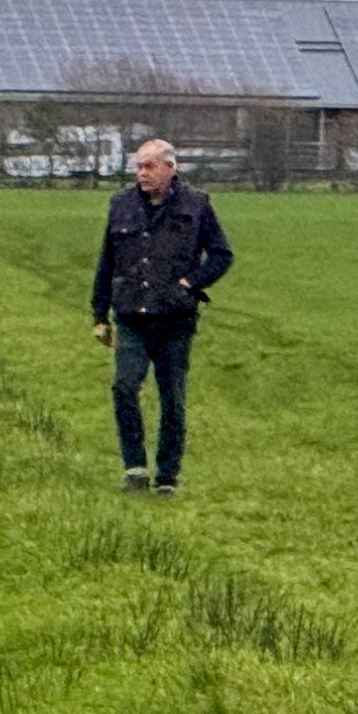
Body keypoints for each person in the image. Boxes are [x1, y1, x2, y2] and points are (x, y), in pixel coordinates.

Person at [89, 137, 232, 494]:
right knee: (124, 386)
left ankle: (167, 477)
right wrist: (99, 315)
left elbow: (221, 255)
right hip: (131, 315)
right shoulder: (120, 205)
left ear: (170, 167)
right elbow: (107, 261)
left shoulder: (196, 205)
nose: (142, 173)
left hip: (174, 319)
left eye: (149, 166)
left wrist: (190, 283)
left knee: (172, 397)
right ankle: (135, 467)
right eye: (138, 167)